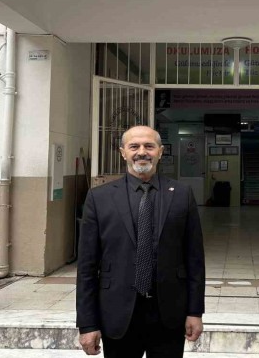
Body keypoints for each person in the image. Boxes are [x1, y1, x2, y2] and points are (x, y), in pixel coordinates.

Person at [77, 125, 205, 357]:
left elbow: (194, 260)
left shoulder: (182, 194)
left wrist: (195, 312)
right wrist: (87, 324)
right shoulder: (99, 198)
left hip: (169, 314)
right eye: (134, 146)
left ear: (160, 151)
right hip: (117, 313)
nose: (142, 152)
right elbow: (87, 267)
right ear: (123, 152)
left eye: (149, 146)